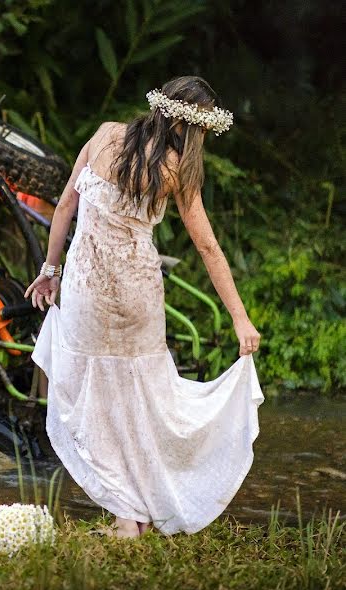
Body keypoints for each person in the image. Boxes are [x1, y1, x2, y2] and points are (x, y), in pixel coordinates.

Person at [25, 76, 264, 537]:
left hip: (88, 289)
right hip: (136, 295)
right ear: (191, 128)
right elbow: (208, 248)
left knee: (91, 397)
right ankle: (133, 512)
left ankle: (126, 515)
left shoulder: (104, 134)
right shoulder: (177, 169)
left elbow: (64, 207)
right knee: (140, 398)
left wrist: (49, 270)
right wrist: (239, 316)